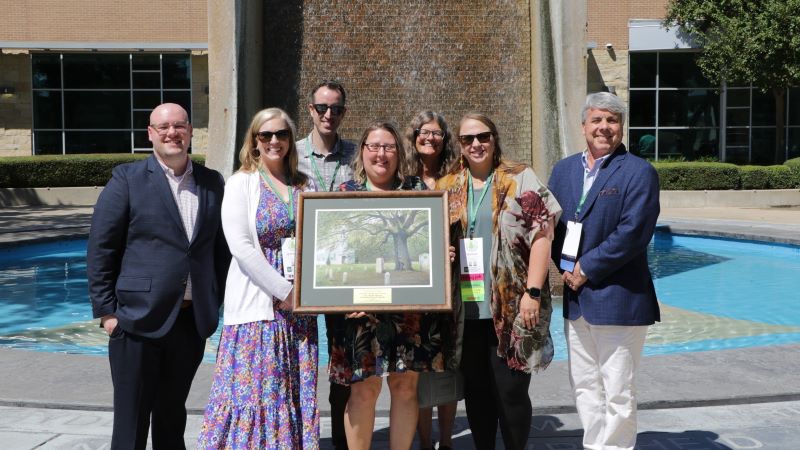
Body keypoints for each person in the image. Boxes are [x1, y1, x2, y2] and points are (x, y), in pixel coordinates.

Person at [86, 103, 229, 450]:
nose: (172, 133)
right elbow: (101, 248)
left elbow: (220, 251)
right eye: (163, 127)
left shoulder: (212, 182)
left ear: (191, 131)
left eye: (179, 126)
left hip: (188, 323)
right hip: (136, 321)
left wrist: (215, 300)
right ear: (150, 133)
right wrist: (108, 313)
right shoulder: (127, 179)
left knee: (171, 415)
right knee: (132, 421)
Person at [437, 113, 562, 450]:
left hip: (512, 306)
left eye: (483, 137)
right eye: (468, 139)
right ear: (460, 146)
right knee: (477, 394)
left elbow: (542, 235)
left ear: (494, 139)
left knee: (511, 393)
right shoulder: (447, 186)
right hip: (466, 310)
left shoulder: (520, 178)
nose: (476, 144)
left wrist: (533, 292)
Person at [198, 108, 319, 448]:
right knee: (255, 395)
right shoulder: (240, 183)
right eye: (266, 135)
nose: (274, 141)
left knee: (291, 392)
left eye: (282, 134)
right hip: (260, 308)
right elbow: (241, 247)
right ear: (254, 141)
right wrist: (285, 290)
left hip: (298, 311)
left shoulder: (303, 183)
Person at [548, 92, 660, 450]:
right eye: (597, 120)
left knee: (618, 388)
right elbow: (551, 226)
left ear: (621, 127)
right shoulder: (563, 170)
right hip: (576, 295)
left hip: (619, 298)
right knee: (584, 384)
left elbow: (633, 233)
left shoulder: (639, 172)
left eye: (612, 120)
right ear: (583, 126)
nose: (604, 127)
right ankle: (595, 445)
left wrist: (586, 268)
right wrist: (565, 268)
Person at [329, 120, 443, 450]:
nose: (381, 154)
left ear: (399, 152)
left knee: (406, 387)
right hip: (356, 315)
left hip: (408, 313)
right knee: (363, 389)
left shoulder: (418, 193)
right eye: (374, 146)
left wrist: (440, 250)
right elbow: (334, 261)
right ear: (361, 152)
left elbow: (431, 246)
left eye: (389, 147)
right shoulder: (343, 196)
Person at [296, 80, 356, 450]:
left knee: (341, 363)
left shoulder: (356, 154)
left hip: (342, 273)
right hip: (300, 274)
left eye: (335, 109)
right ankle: (299, 437)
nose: (328, 115)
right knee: (298, 360)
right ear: (311, 110)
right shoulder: (290, 152)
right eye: (322, 108)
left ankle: (339, 441)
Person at [405, 110, 460, 450]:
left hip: (452, 287)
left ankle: (448, 443)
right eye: (424, 132)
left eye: (437, 133)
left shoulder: (458, 178)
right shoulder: (403, 180)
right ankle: (425, 443)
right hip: (415, 289)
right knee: (420, 371)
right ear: (414, 137)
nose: (430, 138)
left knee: (449, 367)